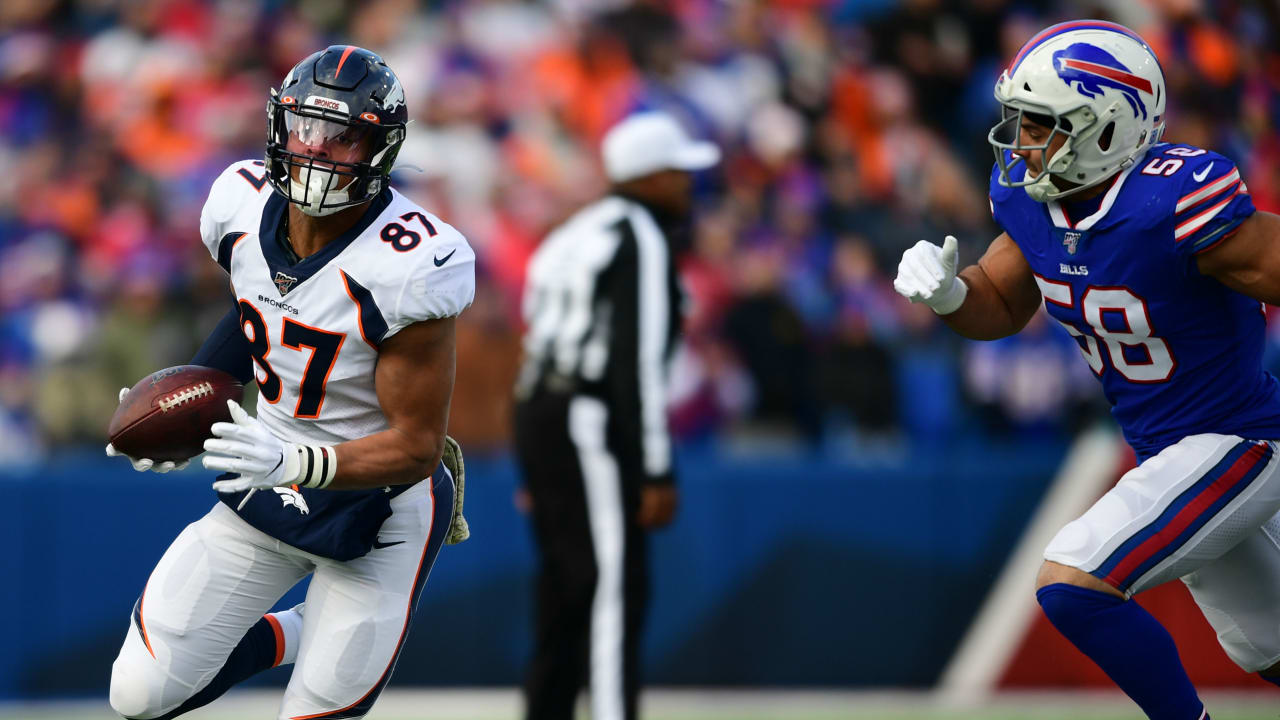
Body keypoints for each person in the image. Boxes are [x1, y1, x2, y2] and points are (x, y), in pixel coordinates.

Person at [894, 20, 1280, 719]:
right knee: (1271, 645)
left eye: (1040, 124)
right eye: (1019, 121)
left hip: (1242, 438)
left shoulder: (1173, 200)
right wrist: (950, 294)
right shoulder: (1031, 202)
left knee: (1075, 579)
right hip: (1171, 452)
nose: (1022, 142)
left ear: (1106, 127)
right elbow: (1000, 303)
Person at [104, 45, 474, 720]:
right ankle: (308, 630)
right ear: (279, 125)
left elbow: (419, 445)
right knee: (138, 694)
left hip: (379, 501)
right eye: (309, 128)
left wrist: (296, 461)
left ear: (381, 149)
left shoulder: (415, 261)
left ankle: (325, 626)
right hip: (267, 472)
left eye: (346, 137)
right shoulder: (238, 203)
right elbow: (262, 314)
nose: (320, 151)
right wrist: (191, 399)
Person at [513, 111, 719, 720]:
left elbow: (536, 341)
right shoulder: (641, 236)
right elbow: (635, 364)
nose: (688, 185)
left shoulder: (573, 231)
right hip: (589, 415)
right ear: (651, 176)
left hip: (541, 413)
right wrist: (656, 469)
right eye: (679, 172)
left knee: (564, 584)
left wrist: (537, 466)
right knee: (610, 588)